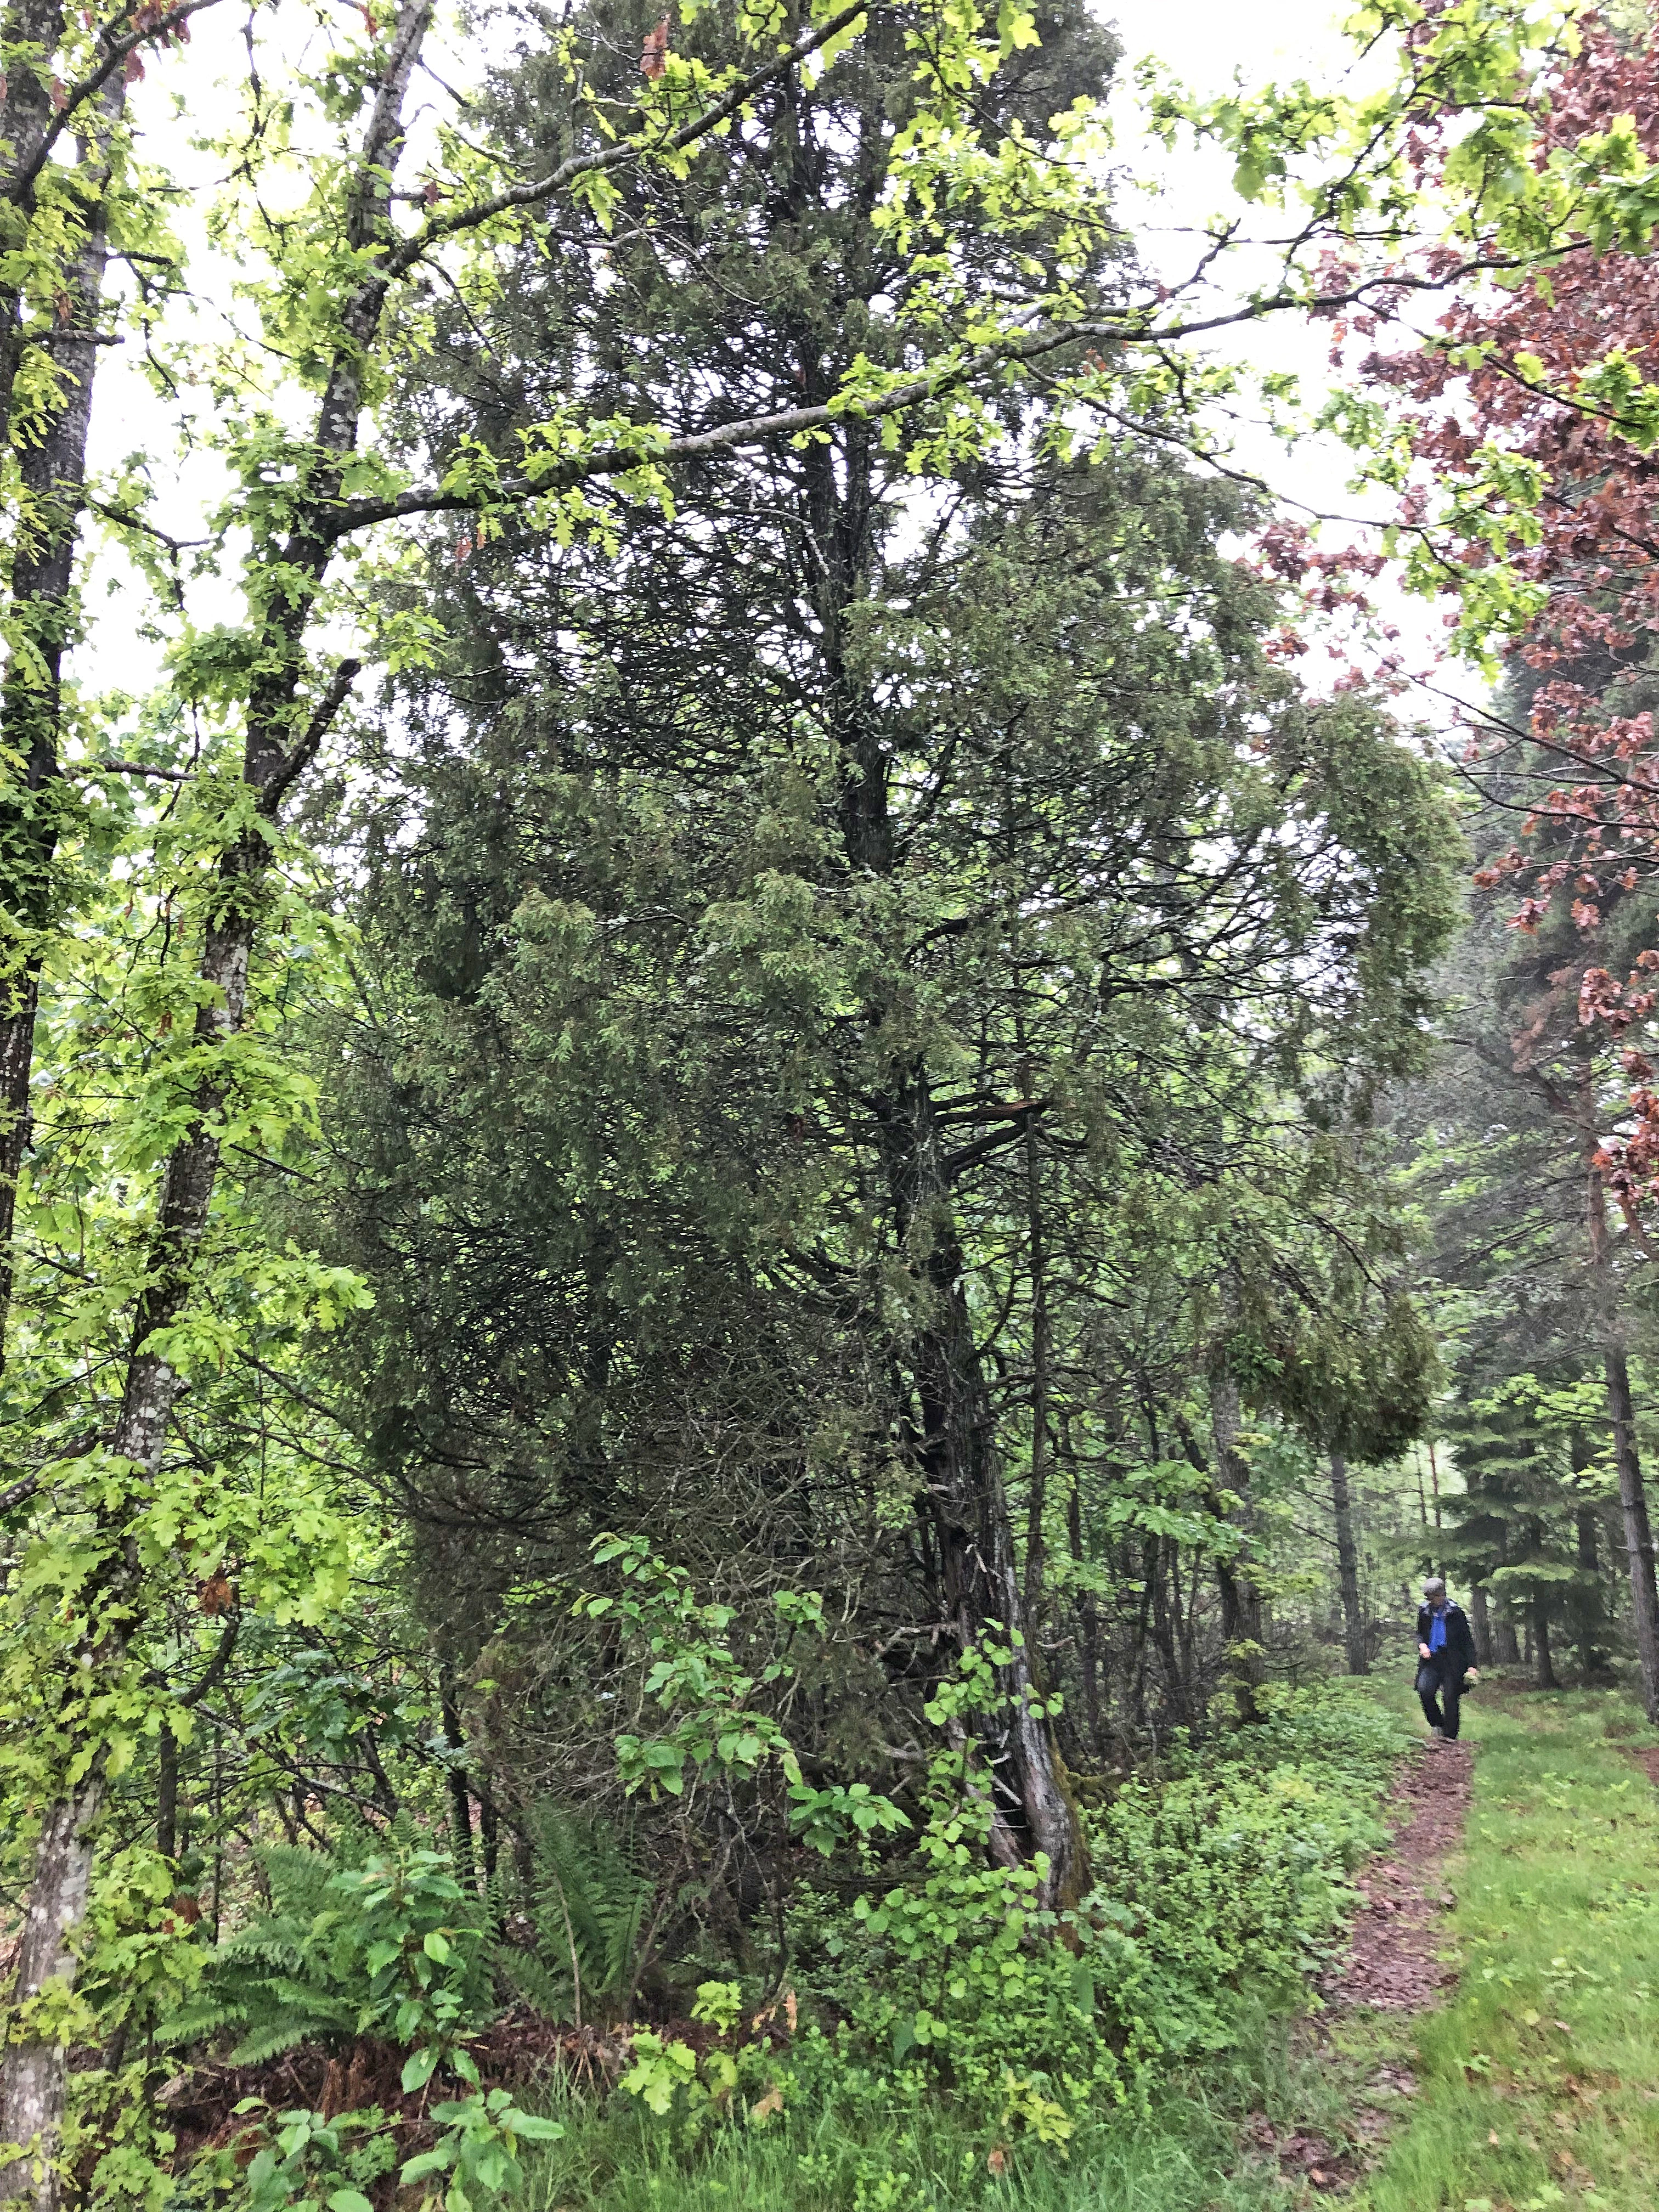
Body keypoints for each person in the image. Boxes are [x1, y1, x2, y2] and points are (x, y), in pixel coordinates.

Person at [1415, 1576, 1478, 1741]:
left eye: (1433, 1597)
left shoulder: (1456, 1613)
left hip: (1453, 1662)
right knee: (1425, 1690)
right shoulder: (1424, 1612)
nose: (1430, 1600)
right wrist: (1422, 1645)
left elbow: (1467, 1641)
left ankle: (1450, 1736)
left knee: (1450, 1697)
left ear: (1441, 1595)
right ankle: (1438, 1724)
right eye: (1428, 1597)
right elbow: (1420, 1634)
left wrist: (1472, 1665)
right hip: (1431, 1660)